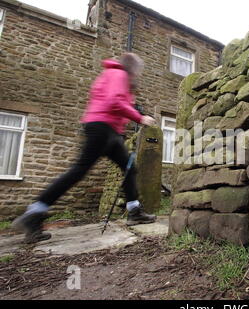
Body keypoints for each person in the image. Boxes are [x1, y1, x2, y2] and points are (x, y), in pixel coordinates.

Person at [13, 52, 157, 244]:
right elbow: (114, 101)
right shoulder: (118, 74)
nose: (138, 75)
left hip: (109, 131)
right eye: (138, 71)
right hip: (101, 128)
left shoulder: (114, 76)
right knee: (79, 170)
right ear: (131, 67)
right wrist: (140, 118)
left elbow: (117, 103)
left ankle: (134, 211)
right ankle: (35, 211)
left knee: (129, 167)